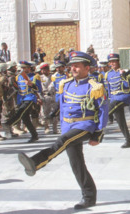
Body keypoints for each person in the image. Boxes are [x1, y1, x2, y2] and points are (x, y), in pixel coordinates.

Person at [17, 52, 108, 210]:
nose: (73, 68)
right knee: (76, 164)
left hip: (84, 125)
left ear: (87, 68)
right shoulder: (65, 84)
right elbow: (64, 107)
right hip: (68, 126)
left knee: (62, 142)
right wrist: (61, 125)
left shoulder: (95, 86)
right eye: (72, 65)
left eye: (77, 66)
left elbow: (102, 110)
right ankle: (89, 197)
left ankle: (36, 162)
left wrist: (98, 134)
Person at [3, 61, 42, 143]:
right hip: (21, 98)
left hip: (30, 98)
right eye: (22, 68)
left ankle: (9, 123)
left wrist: (32, 85)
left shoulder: (35, 77)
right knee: (25, 118)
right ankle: (34, 135)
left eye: (25, 68)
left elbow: (39, 89)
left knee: (21, 110)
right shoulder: (18, 77)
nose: (23, 69)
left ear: (29, 68)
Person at [105, 53, 130, 148]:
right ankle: (128, 140)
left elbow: (127, 84)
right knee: (120, 120)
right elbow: (109, 89)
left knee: (106, 112)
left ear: (119, 61)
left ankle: (96, 130)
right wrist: (109, 98)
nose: (112, 63)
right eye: (111, 62)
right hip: (113, 98)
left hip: (123, 96)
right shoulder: (108, 74)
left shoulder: (127, 71)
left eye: (114, 61)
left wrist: (123, 74)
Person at [39, 63, 55, 134]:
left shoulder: (53, 76)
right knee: (45, 113)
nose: (43, 71)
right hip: (45, 96)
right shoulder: (40, 77)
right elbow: (38, 88)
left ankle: (55, 128)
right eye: (42, 70)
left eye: (44, 70)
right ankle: (47, 128)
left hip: (53, 95)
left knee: (55, 112)